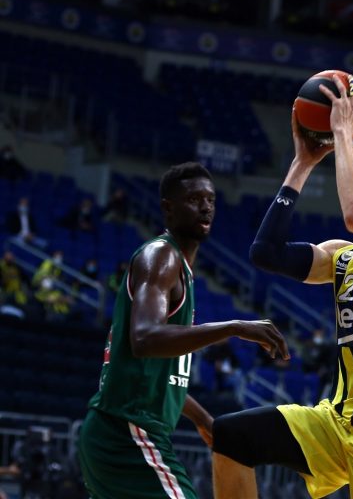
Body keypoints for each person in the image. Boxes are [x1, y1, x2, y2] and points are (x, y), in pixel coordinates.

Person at [211, 85, 353, 498]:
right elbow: (266, 252)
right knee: (231, 435)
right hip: (336, 423)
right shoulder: (342, 257)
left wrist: (342, 134)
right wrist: (302, 163)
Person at [77, 162, 290, 499]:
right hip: (127, 431)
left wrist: (203, 419)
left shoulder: (181, 270)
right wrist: (234, 326)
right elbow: (144, 339)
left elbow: (162, 374)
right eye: (194, 199)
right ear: (168, 208)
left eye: (211, 200)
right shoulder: (161, 257)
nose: (205, 207)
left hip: (118, 431)